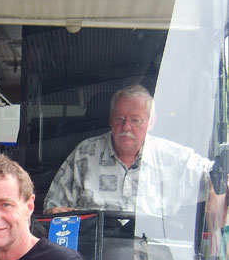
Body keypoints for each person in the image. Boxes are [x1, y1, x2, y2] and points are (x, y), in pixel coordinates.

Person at [43, 84, 227, 221]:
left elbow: (219, 170)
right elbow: (52, 207)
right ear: (110, 120)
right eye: (120, 119)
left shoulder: (172, 157)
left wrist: (216, 194)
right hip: (91, 254)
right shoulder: (85, 154)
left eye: (135, 120)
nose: (126, 127)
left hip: (152, 256)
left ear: (151, 122)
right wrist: (57, 213)